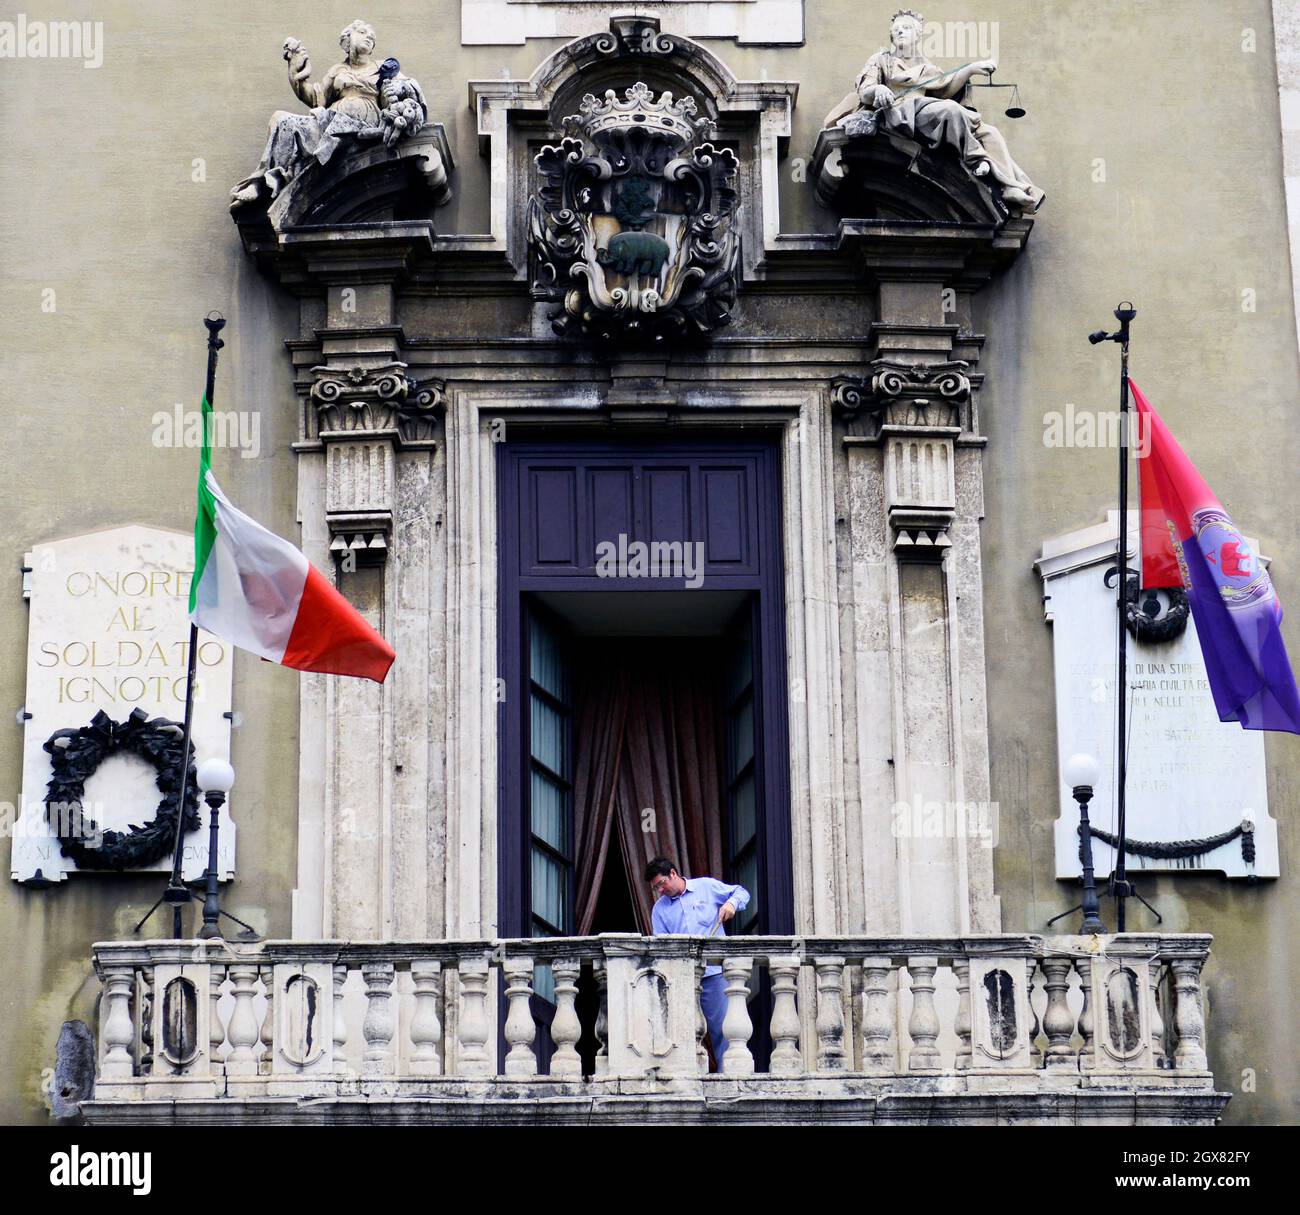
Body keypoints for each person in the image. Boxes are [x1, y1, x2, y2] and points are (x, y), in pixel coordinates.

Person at [823, 8, 1043, 214]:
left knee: (990, 132)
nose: (900, 31)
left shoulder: (927, 67)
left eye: (906, 28)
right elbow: (865, 90)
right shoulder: (882, 60)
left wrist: (971, 69)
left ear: (917, 35)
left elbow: (945, 88)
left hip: (925, 110)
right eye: (897, 29)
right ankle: (978, 161)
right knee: (951, 111)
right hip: (899, 112)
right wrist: (879, 89)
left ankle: (1011, 186)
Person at [644, 857, 751, 1067]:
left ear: (673, 874)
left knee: (723, 1029)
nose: (660, 890)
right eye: (656, 888)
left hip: (714, 975)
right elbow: (661, 949)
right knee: (682, 1033)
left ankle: (728, 1076)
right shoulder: (659, 910)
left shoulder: (706, 887)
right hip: (681, 980)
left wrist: (731, 903)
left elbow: (741, 892)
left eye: (661, 884)